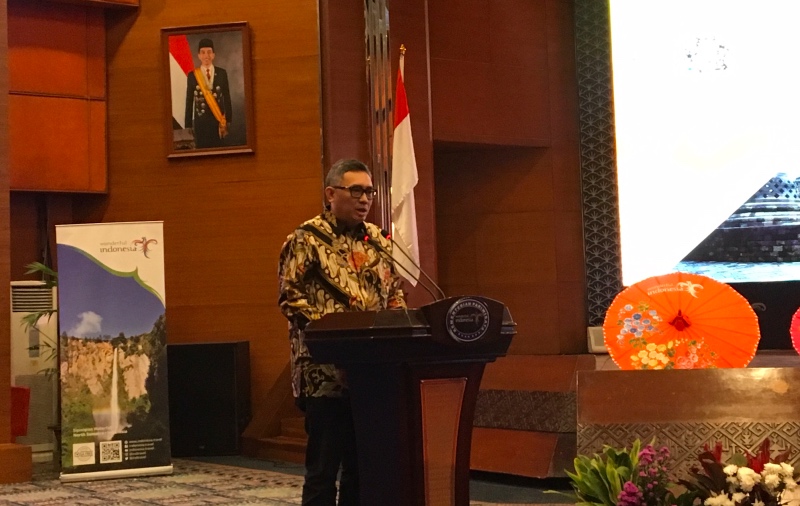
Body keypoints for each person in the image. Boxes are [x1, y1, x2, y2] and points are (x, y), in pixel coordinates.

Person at [278, 159, 406, 506]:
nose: (365, 199)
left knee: (362, 469)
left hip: (371, 373)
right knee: (323, 470)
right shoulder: (307, 239)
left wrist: (398, 331)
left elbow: (394, 294)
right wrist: (336, 342)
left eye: (369, 192)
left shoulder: (378, 240)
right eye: (356, 191)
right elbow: (291, 298)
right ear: (331, 194)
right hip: (325, 374)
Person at [184, 38, 233, 149]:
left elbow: (227, 97)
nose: (206, 56)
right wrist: (188, 125)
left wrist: (229, 120)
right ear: (199, 56)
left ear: (214, 55)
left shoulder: (222, 73)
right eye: (203, 52)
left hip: (218, 122)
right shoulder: (192, 76)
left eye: (209, 52)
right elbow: (189, 101)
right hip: (200, 123)